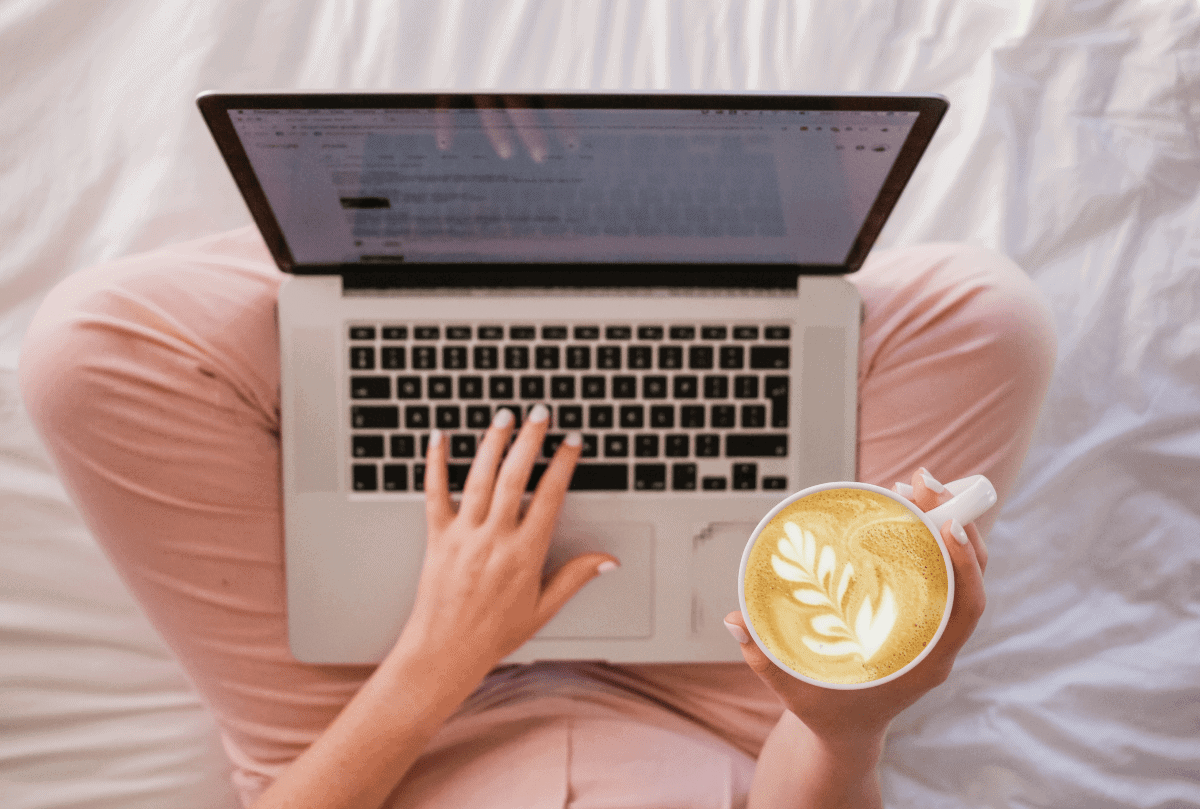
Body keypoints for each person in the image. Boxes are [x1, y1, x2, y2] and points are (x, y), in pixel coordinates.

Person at [18, 226, 1056, 808]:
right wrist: (844, 717)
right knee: (981, 310)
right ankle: (655, 252)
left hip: (383, 728)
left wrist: (441, 653)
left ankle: (418, 242)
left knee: (91, 348)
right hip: (733, 713)